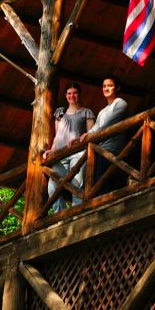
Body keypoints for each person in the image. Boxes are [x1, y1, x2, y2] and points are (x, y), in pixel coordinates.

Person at [43, 83, 95, 213]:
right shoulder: (60, 113)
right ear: (66, 96)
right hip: (60, 155)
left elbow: (92, 133)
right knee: (52, 188)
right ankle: (60, 215)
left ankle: (76, 213)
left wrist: (82, 137)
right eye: (69, 93)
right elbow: (57, 135)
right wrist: (52, 149)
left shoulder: (86, 112)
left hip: (77, 153)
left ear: (79, 94)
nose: (72, 96)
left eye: (75, 93)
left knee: (77, 184)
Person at [81, 76, 129, 189]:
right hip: (99, 150)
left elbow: (107, 126)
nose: (106, 88)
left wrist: (91, 135)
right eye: (104, 86)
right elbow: (95, 128)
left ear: (117, 88)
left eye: (110, 86)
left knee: (101, 184)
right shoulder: (102, 111)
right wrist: (83, 136)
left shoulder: (120, 103)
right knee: (91, 179)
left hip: (112, 150)